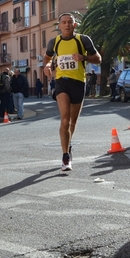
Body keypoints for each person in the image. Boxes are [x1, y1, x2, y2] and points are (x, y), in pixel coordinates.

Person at [43, 12, 101, 171]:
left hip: (78, 82)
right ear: (59, 26)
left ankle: (68, 146)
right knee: (64, 119)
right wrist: (48, 66)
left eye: (70, 22)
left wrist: (84, 58)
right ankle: (65, 156)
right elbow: (47, 58)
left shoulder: (83, 40)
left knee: (73, 122)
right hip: (61, 82)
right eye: (64, 22)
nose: (67, 24)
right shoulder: (54, 42)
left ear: (75, 25)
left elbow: (98, 58)